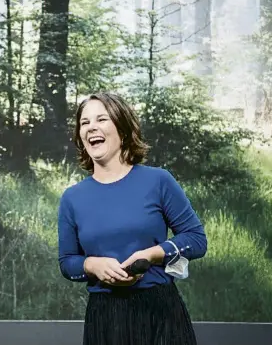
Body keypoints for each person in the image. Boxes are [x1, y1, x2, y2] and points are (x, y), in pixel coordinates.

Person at [58, 92, 207, 345]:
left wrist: (150, 255)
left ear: (123, 130)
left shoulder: (159, 181)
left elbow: (196, 240)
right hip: (105, 318)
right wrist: (91, 265)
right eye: (85, 123)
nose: (92, 127)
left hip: (160, 314)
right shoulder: (72, 198)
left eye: (101, 119)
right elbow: (67, 262)